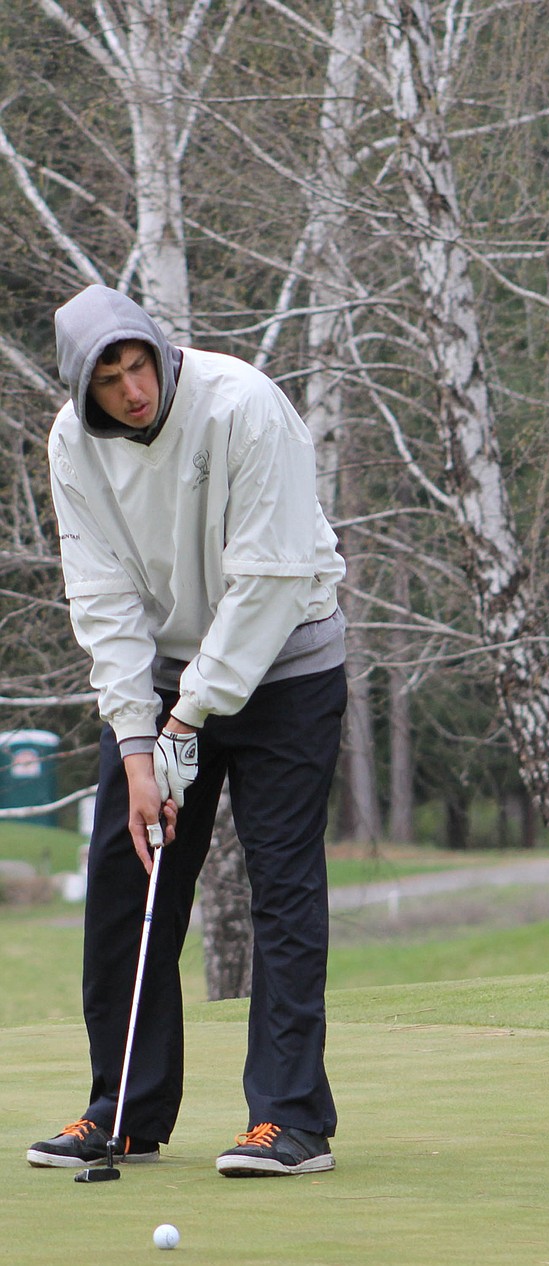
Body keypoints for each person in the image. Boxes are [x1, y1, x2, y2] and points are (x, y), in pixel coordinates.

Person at [27, 284, 348, 1177]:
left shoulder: (244, 405)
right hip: (168, 683)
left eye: (139, 365)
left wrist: (183, 721)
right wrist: (138, 745)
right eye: (109, 380)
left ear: (159, 352)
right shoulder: (71, 446)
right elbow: (101, 597)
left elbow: (272, 580)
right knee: (125, 879)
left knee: (281, 887)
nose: (133, 390)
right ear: (85, 391)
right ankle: (123, 1109)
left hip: (288, 667)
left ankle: (288, 1122)